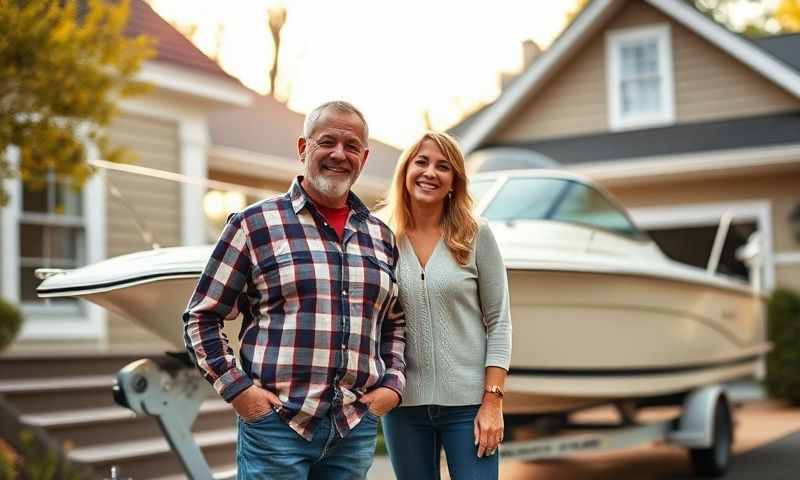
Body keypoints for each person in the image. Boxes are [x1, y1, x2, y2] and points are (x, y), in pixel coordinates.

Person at [183, 101, 406, 479]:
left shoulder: (380, 236)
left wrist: (393, 386)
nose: (339, 154)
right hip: (276, 427)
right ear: (303, 148)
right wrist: (238, 391)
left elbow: (394, 323)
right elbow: (202, 316)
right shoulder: (254, 224)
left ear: (363, 158)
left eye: (351, 146)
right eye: (327, 142)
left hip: (353, 428)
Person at [380, 132, 511, 479]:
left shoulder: (475, 234)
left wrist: (492, 401)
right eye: (421, 162)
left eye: (443, 166)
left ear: (454, 181)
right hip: (403, 407)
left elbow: (499, 321)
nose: (430, 172)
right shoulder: (380, 238)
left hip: (469, 408)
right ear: (405, 171)